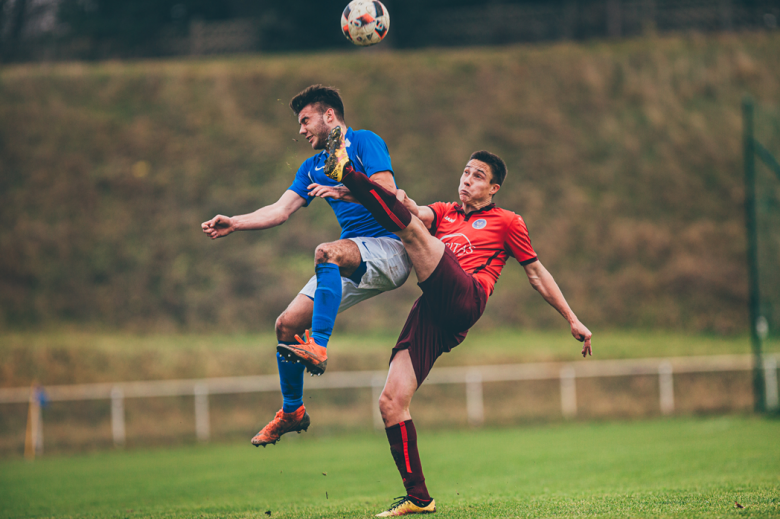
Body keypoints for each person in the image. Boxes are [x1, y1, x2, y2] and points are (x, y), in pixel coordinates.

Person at [313, 127, 592, 516]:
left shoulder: (508, 221)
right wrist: (359, 193)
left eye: (478, 176)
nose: (467, 180)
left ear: (494, 188)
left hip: (466, 300)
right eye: (465, 172)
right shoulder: (444, 212)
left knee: (413, 235)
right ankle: (418, 498)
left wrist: (572, 319)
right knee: (391, 402)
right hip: (434, 310)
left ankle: (345, 170)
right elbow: (409, 209)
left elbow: (537, 273)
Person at [201, 86, 411, 447]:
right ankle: (292, 411)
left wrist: (345, 191)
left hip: (391, 248)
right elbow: (279, 211)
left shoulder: (364, 143)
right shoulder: (312, 166)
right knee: (286, 325)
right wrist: (235, 222)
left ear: (330, 115)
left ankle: (319, 345)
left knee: (325, 252)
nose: (301, 130)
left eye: (305, 120)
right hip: (355, 255)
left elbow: (388, 194)